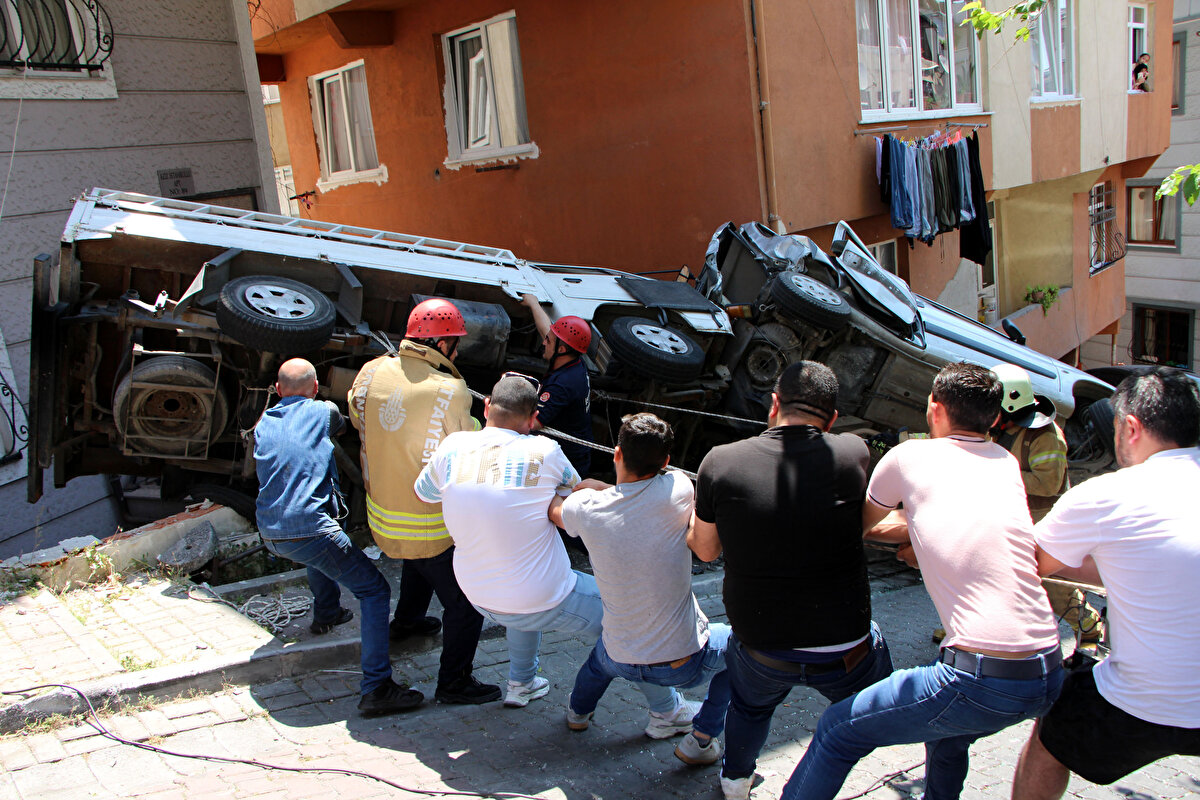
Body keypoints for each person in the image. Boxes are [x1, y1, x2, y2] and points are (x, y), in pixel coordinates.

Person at [781, 362, 1063, 800]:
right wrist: (923, 537)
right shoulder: (1005, 461)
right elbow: (970, 523)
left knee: (838, 728)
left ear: (935, 407)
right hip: (1047, 669)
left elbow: (862, 526)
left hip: (982, 677)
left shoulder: (908, 456)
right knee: (947, 735)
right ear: (994, 418)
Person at [687, 361, 893, 800]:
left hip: (762, 649)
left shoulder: (719, 462)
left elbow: (704, 551)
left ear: (774, 403)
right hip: (845, 650)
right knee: (873, 679)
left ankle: (735, 780)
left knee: (750, 706)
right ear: (832, 420)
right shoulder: (854, 452)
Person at [1012, 367, 1200, 799]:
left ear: (1130, 427)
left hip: (1140, 702)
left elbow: (1032, 560)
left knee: (1048, 743)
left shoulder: (1106, 494)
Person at [413, 374, 602, 708]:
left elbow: (424, 493)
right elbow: (573, 492)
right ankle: (666, 711)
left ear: (486, 406)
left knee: (523, 582)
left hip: (477, 595)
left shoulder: (452, 445)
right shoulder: (546, 450)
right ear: (533, 419)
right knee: (630, 619)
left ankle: (522, 683)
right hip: (541, 596)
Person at [347, 298, 500, 705]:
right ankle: (453, 683)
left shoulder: (371, 370)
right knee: (466, 604)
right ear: (443, 344)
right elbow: (465, 445)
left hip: (380, 517)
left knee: (420, 560)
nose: (457, 352)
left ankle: (408, 621)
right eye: (456, 344)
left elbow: (359, 417)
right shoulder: (451, 390)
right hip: (423, 525)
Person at [254, 358, 422, 717]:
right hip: (309, 528)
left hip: (269, 530)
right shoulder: (324, 411)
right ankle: (377, 687)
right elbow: (348, 425)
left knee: (322, 549)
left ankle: (327, 613)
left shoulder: (264, 421)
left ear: (278, 389)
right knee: (374, 591)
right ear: (316, 388)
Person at [553, 412, 732, 749]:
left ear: (617, 453)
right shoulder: (679, 487)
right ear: (665, 461)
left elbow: (555, 511)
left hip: (618, 655)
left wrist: (589, 489)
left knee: (597, 663)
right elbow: (640, 500)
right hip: (683, 663)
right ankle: (701, 738)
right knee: (743, 653)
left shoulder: (586, 509)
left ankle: (577, 714)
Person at [991, 363, 1102, 643]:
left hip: (1040, 520)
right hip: (1008, 515)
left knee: (1055, 588)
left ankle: (1090, 628)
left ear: (1009, 405)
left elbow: (1048, 483)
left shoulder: (1044, 435)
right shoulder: (1002, 428)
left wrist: (998, 472)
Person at [520, 293, 594, 475]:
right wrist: (533, 303)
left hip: (566, 465)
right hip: (574, 453)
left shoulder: (562, 385)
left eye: (548, 340)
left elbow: (532, 424)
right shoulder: (574, 361)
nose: (543, 342)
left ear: (561, 349)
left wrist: (498, 410)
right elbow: (548, 331)